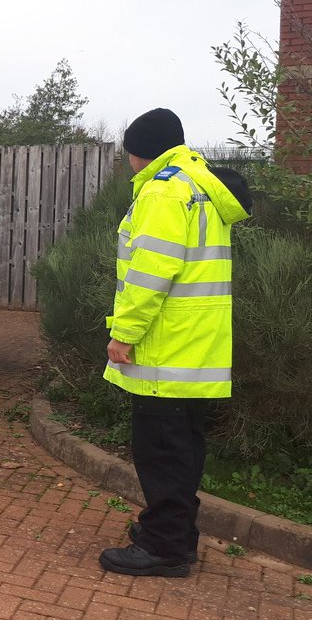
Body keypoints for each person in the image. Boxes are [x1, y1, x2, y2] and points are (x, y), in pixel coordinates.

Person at [100, 108, 251, 577]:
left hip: (165, 346)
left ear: (135, 152)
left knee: (161, 450)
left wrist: (124, 334)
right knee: (183, 445)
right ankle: (173, 534)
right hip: (197, 344)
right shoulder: (199, 183)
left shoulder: (164, 190)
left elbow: (151, 272)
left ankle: (165, 548)